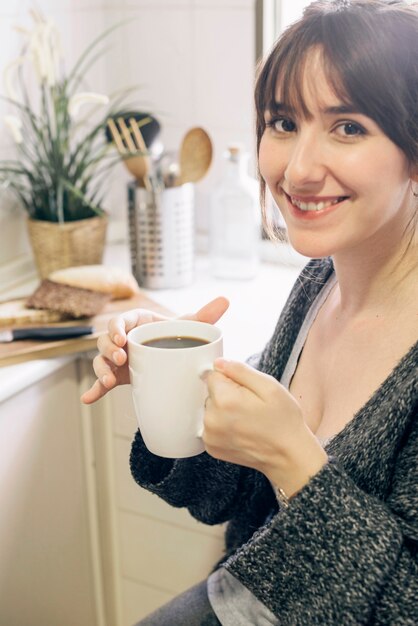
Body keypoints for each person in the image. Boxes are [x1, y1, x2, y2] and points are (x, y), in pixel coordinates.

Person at [81, 0, 418, 623]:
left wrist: (294, 458)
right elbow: (234, 495)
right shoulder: (317, 285)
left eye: (348, 127)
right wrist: (172, 388)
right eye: (283, 122)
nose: (296, 169)